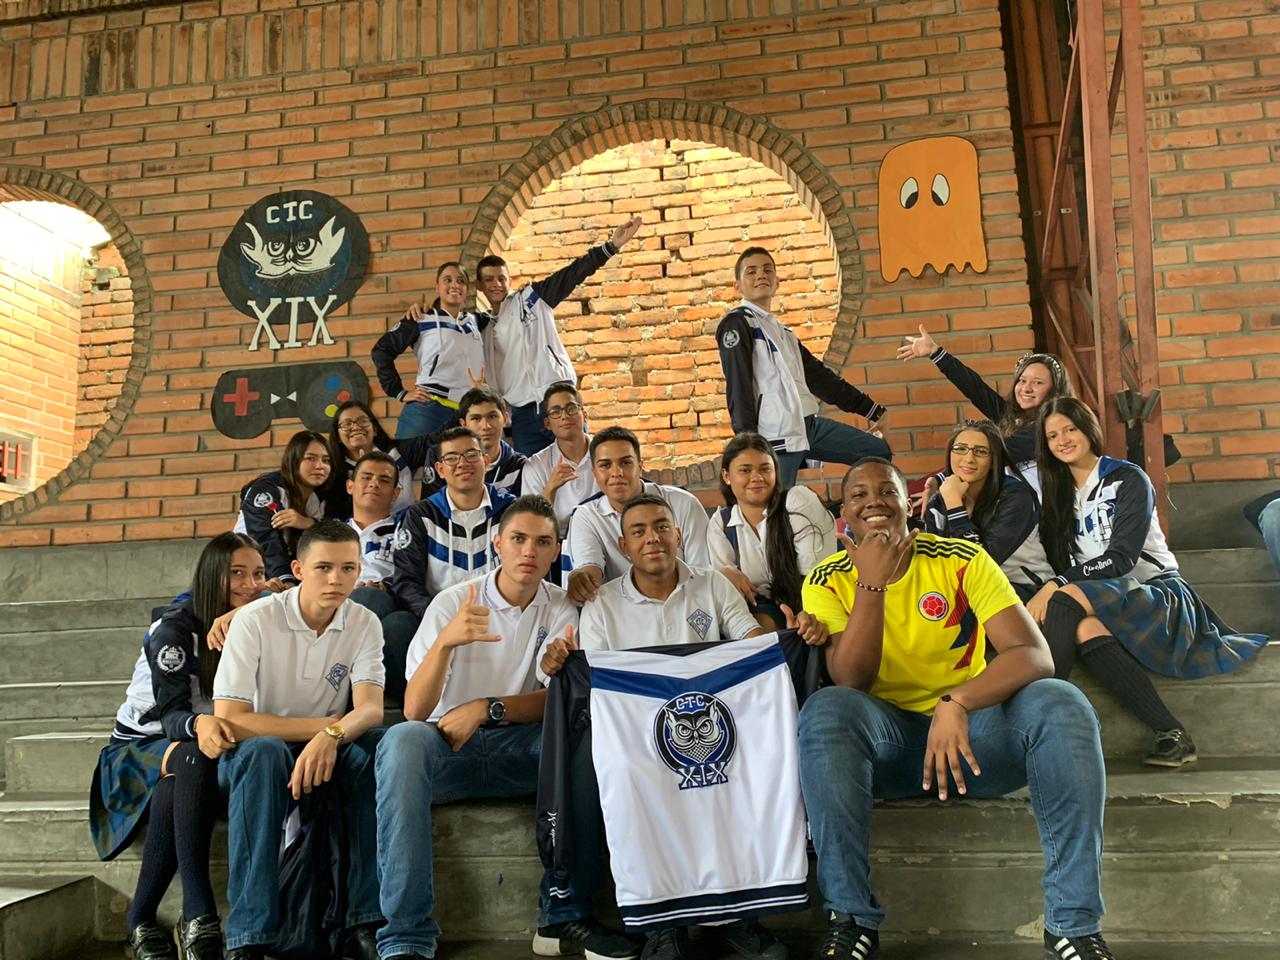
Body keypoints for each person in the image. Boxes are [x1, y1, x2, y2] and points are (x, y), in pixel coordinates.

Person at [795, 458, 1114, 960]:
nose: (873, 501)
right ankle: (851, 919)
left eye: (887, 491)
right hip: (890, 749)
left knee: (1062, 701)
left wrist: (958, 701)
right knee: (826, 709)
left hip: (972, 743)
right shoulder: (826, 578)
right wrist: (871, 585)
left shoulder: (960, 559)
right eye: (858, 494)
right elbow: (852, 680)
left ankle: (1073, 927)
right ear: (844, 516)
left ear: (909, 505)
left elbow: (1034, 655)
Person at [540, 494, 827, 960]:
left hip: (712, 729)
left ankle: (737, 916)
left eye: (661, 527)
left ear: (678, 535)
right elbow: (595, 683)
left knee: (747, 765)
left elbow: (750, 643)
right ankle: (661, 923)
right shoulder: (603, 603)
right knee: (628, 778)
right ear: (624, 546)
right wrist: (561, 661)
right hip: (637, 739)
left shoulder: (712, 585)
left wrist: (788, 641)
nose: (652, 538)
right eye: (638, 531)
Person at [373, 495, 598, 960]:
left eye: (542, 542)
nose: (529, 551)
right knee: (402, 740)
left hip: (519, 748)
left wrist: (487, 707)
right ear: (497, 543)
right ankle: (406, 936)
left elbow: (556, 702)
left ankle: (561, 916)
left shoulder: (561, 607)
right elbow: (414, 709)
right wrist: (446, 643)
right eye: (518, 539)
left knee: (586, 734)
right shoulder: (453, 603)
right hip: (446, 748)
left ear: (556, 551)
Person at [1028, 398, 1268, 767]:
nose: (1062, 440)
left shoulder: (1127, 478)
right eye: (1052, 435)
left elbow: (1121, 559)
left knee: (1064, 597)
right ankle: (1172, 733)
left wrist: (1056, 583)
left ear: (1088, 429)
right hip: (1108, 598)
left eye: (1070, 429)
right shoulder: (1059, 496)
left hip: (1158, 592)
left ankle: (1039, 719)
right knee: (1084, 628)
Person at [212, 520, 385, 960]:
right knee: (266, 753)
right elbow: (231, 719)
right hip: (254, 750)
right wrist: (321, 729)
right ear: (298, 569)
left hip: (325, 744)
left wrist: (332, 735)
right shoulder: (255, 619)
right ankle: (248, 936)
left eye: (348, 568)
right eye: (323, 567)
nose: (336, 579)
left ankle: (362, 922)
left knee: (375, 754)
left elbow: (369, 709)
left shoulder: (364, 621)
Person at [90, 533, 264, 960]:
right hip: (138, 748)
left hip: (190, 754)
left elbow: (290, 592)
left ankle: (140, 919)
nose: (250, 584)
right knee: (192, 754)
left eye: (258, 573)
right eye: (237, 573)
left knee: (176, 784)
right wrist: (200, 722)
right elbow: (171, 717)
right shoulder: (174, 630)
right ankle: (199, 911)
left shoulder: (255, 617)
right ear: (211, 576)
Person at [717, 246, 891, 488]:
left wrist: (872, 411)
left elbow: (821, 379)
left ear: (777, 281)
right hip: (775, 436)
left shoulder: (783, 332)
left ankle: (854, 506)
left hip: (808, 426)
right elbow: (739, 387)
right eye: (751, 271)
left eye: (768, 269)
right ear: (737, 286)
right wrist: (748, 444)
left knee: (877, 451)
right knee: (777, 505)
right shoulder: (737, 323)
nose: (761, 275)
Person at [478, 216, 643, 454]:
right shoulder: (481, 327)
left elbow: (571, 275)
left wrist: (611, 247)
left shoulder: (531, 299)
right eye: (489, 280)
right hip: (522, 416)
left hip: (559, 399)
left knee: (581, 464)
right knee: (533, 475)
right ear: (479, 286)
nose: (496, 284)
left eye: (501, 278)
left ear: (509, 280)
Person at [897, 326, 1072, 485]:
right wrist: (936, 353)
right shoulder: (1012, 415)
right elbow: (976, 389)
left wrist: (943, 478)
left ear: (1055, 390)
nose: (1026, 388)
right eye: (1022, 380)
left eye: (1038, 383)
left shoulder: (1054, 426)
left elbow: (994, 452)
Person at [563, 427, 710, 606]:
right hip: (622, 612)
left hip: (686, 605)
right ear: (594, 472)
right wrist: (582, 581)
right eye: (605, 465)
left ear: (640, 466)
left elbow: (701, 573)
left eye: (626, 463)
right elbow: (590, 572)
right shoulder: (586, 516)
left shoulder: (684, 504)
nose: (616, 473)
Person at [709, 432, 836, 630]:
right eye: (745, 470)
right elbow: (729, 595)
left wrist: (801, 618)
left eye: (765, 469)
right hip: (758, 610)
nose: (756, 477)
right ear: (727, 476)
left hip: (812, 602)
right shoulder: (721, 523)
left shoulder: (796, 502)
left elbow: (815, 577)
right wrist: (724, 573)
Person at [391, 427, 517, 618]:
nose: (462, 463)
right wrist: (441, 617)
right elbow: (406, 582)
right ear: (440, 470)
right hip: (440, 621)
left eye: (471, 455)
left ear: (486, 461)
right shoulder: (422, 516)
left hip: (502, 619)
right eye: (451, 458)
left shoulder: (512, 511)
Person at [922, 419, 1054, 601]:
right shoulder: (937, 503)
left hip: (1024, 588)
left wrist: (955, 507)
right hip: (966, 590)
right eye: (960, 448)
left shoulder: (1015, 497)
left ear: (994, 460)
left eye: (981, 451)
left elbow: (979, 566)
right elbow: (935, 563)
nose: (969, 458)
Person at [372, 261, 490, 440]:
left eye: (461, 281)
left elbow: (502, 311)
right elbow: (381, 351)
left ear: (467, 289)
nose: (455, 285)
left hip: (465, 413)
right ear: (437, 287)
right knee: (406, 458)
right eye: (447, 280)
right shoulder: (420, 318)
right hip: (427, 410)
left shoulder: (474, 321)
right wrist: (399, 392)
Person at [345, 450, 421, 705]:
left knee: (398, 624)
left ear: (396, 493)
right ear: (350, 486)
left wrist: (386, 586)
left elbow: (416, 575)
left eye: (384, 480)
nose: (374, 484)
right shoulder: (330, 531)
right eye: (366, 477)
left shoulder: (408, 528)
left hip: (392, 601)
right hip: (338, 605)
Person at [234, 430, 332, 591]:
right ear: (293, 460)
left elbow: (334, 533)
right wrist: (286, 579)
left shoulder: (321, 496)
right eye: (310, 458)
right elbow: (266, 540)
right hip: (241, 571)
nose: (319, 466)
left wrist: (309, 523)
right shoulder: (266, 489)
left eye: (326, 460)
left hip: (285, 576)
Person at [327, 399, 438, 518]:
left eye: (363, 421)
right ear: (338, 436)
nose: (356, 427)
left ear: (375, 430)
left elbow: (437, 440)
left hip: (406, 525)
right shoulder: (332, 471)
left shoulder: (397, 451)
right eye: (347, 424)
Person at [517, 381, 599, 538]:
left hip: (606, 535)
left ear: (584, 415)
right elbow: (532, 527)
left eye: (571, 408)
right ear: (547, 423)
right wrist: (551, 488)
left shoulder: (605, 454)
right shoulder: (535, 466)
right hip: (558, 542)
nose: (564, 416)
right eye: (556, 412)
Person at [420, 386, 526, 498]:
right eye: (476, 418)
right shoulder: (440, 456)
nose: (486, 426)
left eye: (492, 416)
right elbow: (432, 506)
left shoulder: (519, 464)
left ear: (505, 419)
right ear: (463, 424)